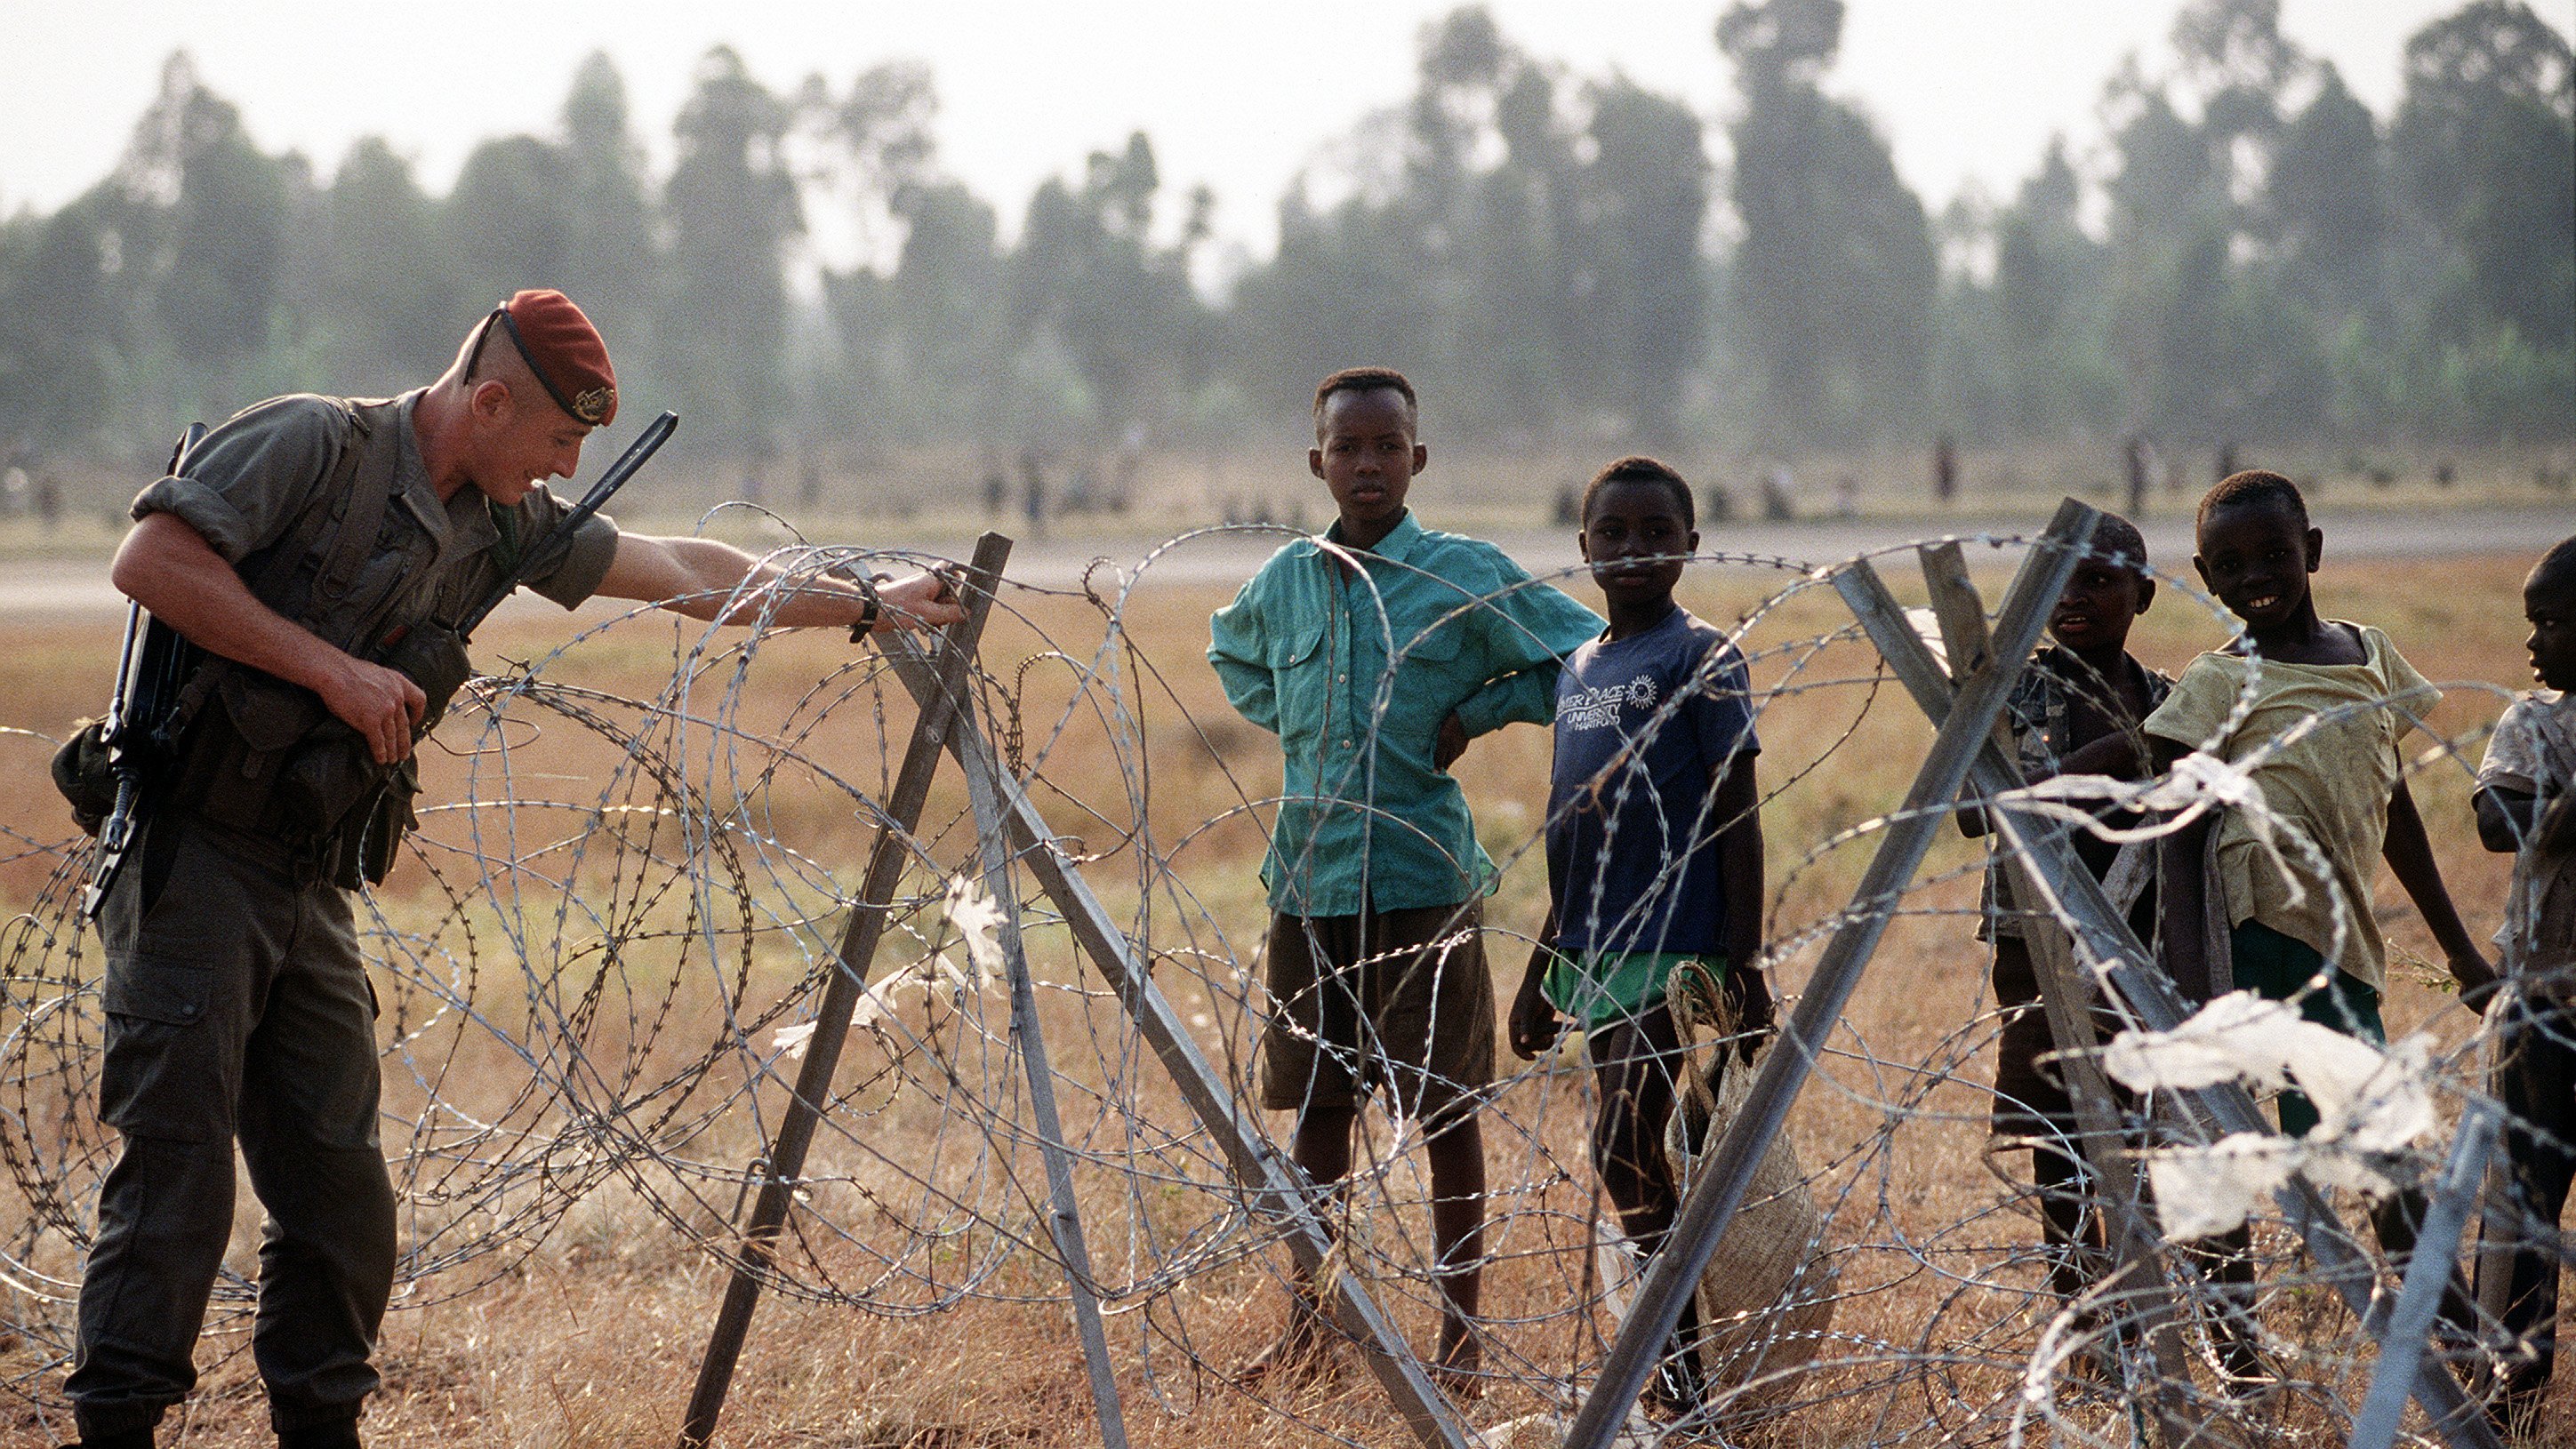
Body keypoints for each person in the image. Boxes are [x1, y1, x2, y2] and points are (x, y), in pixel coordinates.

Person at [67, 291, 963, 1449]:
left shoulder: (501, 518)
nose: (569, 464)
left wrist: (867, 605)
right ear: (488, 401)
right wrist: (333, 671)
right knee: (174, 1191)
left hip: (307, 880)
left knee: (342, 1203)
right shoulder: (311, 444)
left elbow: (688, 569)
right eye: (557, 438)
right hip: (192, 858)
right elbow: (150, 559)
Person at [1207, 366, 1600, 1392]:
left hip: (1423, 876)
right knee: (1316, 1115)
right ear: (1317, 462)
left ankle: (1460, 1336)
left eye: (1386, 447)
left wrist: (1479, 709)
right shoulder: (1286, 578)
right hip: (1309, 881)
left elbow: (1582, 657)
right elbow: (1233, 654)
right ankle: (1311, 1325)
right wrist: (1305, 727)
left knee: (1442, 1109)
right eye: (1347, 447)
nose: (1366, 464)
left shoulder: (1458, 572)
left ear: (1416, 459)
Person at [2136, 471, 2492, 1377]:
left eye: (2271, 555)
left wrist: (2454, 946)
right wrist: (2190, 979)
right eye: (2228, 565)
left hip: (2341, 942)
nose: (2254, 575)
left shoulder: (2367, 656)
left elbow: (2391, 800)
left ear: (2313, 552)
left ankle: (2400, 1330)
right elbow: (2175, 829)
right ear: (2203, 578)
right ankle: (2418, 1322)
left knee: (2273, 1139)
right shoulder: (2222, 679)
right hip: (2260, 935)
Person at [1505, 456, 1768, 1418]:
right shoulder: (1580, 665)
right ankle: (1679, 1360)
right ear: (1582, 548)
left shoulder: (1698, 654)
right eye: (1611, 534)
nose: (1633, 550)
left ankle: (1679, 1368)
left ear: (1690, 544)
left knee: (1622, 1143)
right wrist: (1544, 963)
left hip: (1675, 941)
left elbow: (1735, 804)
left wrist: (1743, 958)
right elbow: (1576, 832)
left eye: (1656, 532)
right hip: (1596, 947)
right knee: (1634, 1152)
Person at [1961, 512, 2168, 1306]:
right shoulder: (2010, 691)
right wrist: (2123, 749)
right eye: (2056, 581)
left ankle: (2143, 1302)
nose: (2074, 597)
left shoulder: (2167, 699)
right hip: (2035, 942)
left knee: (2145, 1132)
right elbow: (1977, 811)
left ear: (2142, 594)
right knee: (2059, 1136)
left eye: (2098, 580)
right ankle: (2079, 1306)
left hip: (2141, 941)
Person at [2470, 534, 2576, 1442]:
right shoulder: (2536, 724)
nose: (2533, 641)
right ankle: (2502, 1408)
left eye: (2549, 620)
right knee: (2519, 1216)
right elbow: (2495, 822)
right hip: (2542, 1001)